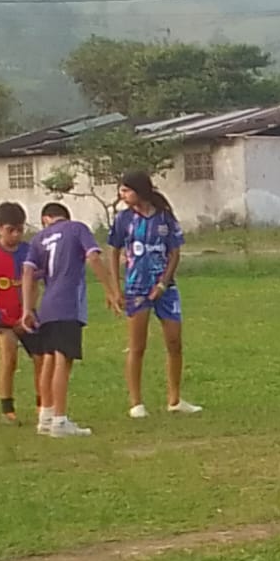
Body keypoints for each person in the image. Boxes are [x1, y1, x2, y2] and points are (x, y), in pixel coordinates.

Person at [21, 202, 124, 438]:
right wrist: (110, 289)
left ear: (46, 219)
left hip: (47, 305)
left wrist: (27, 308)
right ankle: (60, 419)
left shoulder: (38, 239)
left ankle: (45, 416)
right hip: (67, 304)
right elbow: (93, 257)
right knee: (62, 360)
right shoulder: (77, 228)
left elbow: (28, 272)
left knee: (48, 358)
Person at [109, 171, 201, 418]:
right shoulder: (123, 219)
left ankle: (175, 399)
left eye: (126, 190)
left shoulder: (164, 218)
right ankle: (136, 403)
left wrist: (163, 283)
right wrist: (116, 289)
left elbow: (174, 253)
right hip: (136, 288)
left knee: (174, 342)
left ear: (140, 190)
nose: (122, 195)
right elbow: (113, 251)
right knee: (137, 346)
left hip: (165, 289)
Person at [0, 202, 43, 425]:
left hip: (27, 317)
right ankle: (7, 409)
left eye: (19, 230)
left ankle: (42, 405)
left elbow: (35, 284)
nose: (15, 235)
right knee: (9, 358)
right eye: (10, 230)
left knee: (40, 359)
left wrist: (29, 310)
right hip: (3, 320)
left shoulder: (28, 251)